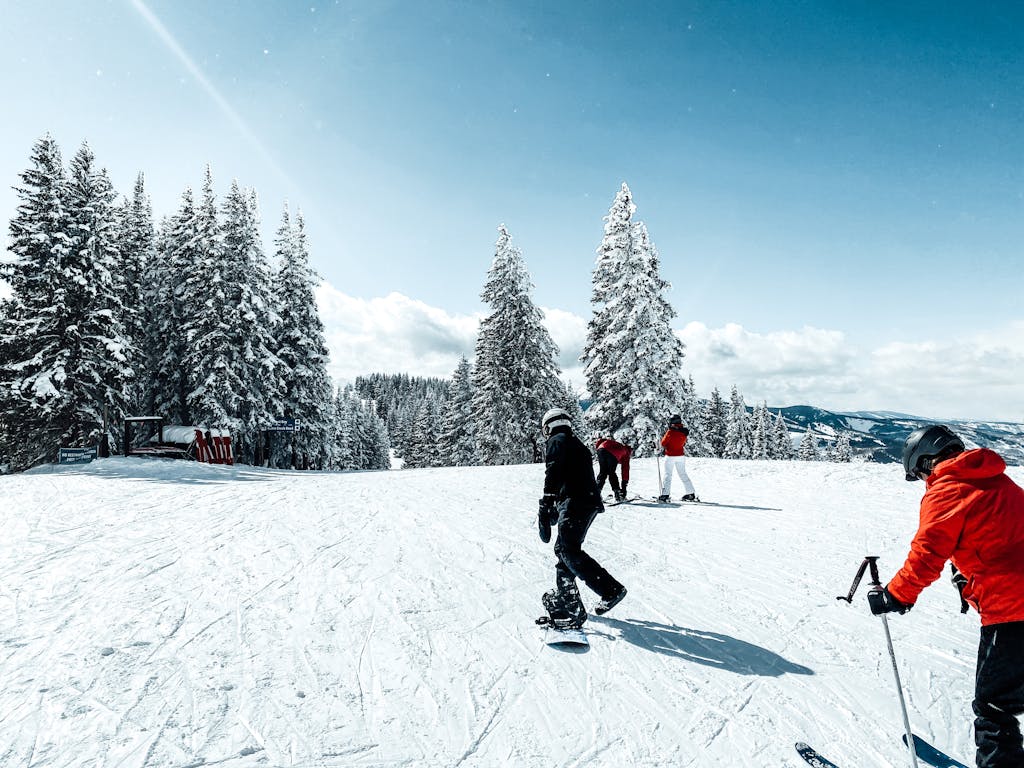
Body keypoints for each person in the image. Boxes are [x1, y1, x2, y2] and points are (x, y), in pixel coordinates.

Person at [867, 425, 1024, 768]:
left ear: (926, 461)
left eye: (920, 472)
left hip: (1012, 610)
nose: (924, 480)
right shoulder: (999, 481)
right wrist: (969, 565)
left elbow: (926, 554)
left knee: (993, 708)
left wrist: (895, 595)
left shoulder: (947, 488)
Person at [536, 407, 627, 628]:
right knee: (564, 549)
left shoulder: (557, 440)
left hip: (577, 502)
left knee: (567, 549)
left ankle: (610, 589)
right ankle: (567, 599)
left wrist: (547, 501)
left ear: (549, 426)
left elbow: (554, 470)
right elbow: (571, 475)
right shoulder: (574, 442)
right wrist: (557, 505)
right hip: (583, 502)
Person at [658, 414, 698, 503]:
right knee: (683, 474)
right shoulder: (684, 432)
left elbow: (663, 443)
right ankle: (691, 493)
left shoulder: (670, 432)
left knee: (668, 475)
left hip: (670, 456)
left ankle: (665, 495)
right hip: (681, 456)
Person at [594, 436, 631, 501]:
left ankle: (596, 494)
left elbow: (601, 442)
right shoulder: (626, 452)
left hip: (601, 449)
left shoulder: (617, 445)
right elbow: (625, 471)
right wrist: (624, 488)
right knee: (611, 473)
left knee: (603, 472)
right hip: (612, 451)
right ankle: (618, 494)